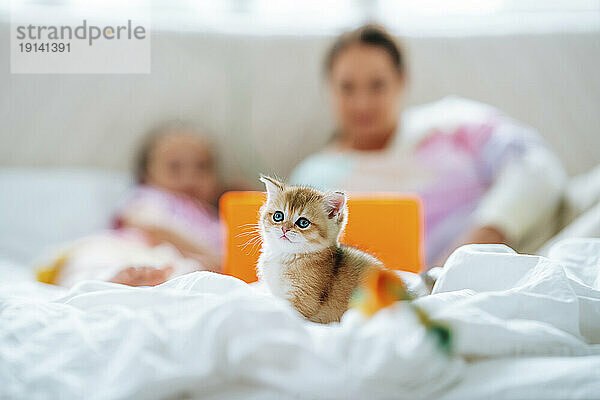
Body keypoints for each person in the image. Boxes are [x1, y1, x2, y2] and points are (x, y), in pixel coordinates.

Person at [290, 25, 566, 267]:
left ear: (401, 81)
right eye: (347, 87)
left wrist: (479, 240)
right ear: (329, 88)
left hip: (541, 235)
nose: (362, 102)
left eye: (377, 85)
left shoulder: (453, 122)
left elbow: (537, 165)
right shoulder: (312, 179)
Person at [47, 121, 224, 287]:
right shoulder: (150, 196)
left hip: (169, 262)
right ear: (147, 173)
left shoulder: (212, 218)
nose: (189, 177)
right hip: (130, 250)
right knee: (93, 255)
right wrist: (207, 253)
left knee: (195, 271)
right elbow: (148, 224)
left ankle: (147, 284)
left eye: (202, 167)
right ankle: (104, 281)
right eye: (174, 167)